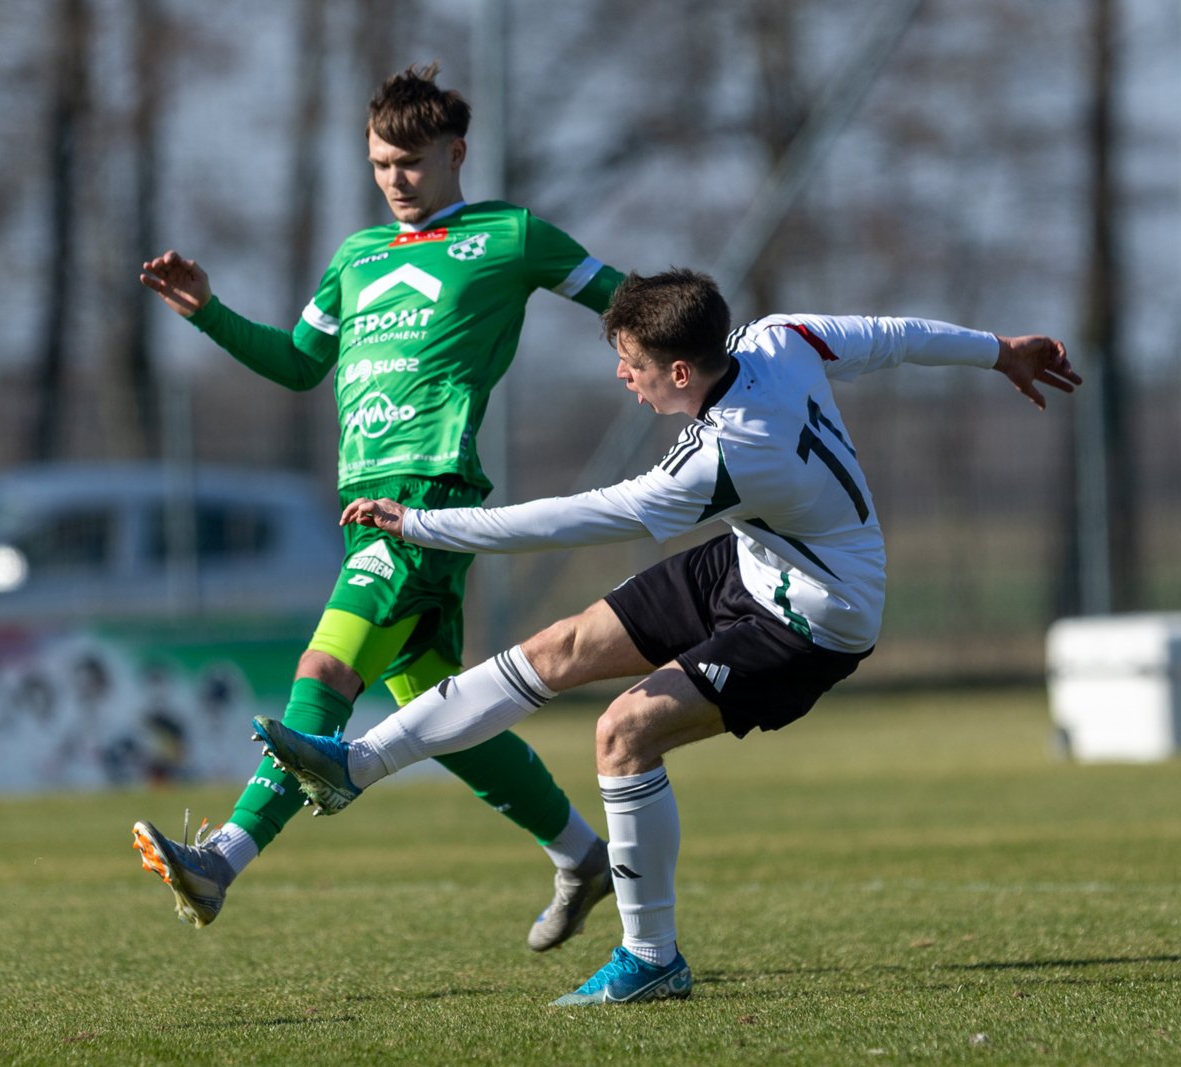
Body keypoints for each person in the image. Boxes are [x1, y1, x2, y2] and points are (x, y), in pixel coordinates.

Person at [252, 267, 1078, 1006]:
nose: (622, 375)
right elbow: (895, 338)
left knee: (623, 731)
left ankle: (652, 956)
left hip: (815, 619)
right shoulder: (776, 337)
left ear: (679, 371)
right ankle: (351, 766)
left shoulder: (723, 459)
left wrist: (426, 524)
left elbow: (578, 517)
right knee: (559, 649)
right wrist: (997, 349)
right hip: (755, 564)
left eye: (632, 363)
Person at [130, 62, 628, 950]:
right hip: (368, 505)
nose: (395, 179)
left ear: (455, 152)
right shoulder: (356, 259)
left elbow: (629, 303)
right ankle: (582, 853)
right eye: (379, 165)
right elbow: (296, 363)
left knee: (323, 676)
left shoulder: (510, 236)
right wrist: (208, 311)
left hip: (428, 497)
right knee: (445, 716)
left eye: (410, 161)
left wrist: (703, 364)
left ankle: (224, 859)